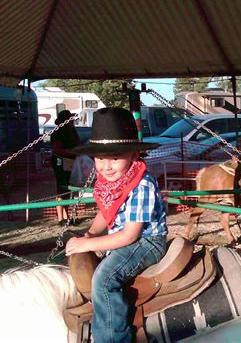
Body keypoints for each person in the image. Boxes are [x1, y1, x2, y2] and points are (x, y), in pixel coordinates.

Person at [65, 107, 167, 343]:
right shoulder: (111, 184)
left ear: (133, 155)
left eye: (114, 158)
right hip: (127, 238)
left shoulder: (141, 185)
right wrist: (90, 235)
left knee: (104, 280)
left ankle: (113, 339)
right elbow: (106, 212)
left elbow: (130, 236)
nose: (106, 166)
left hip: (147, 241)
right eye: (100, 158)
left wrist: (86, 245)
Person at [51, 110, 80, 225]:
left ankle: (69, 216)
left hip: (71, 162)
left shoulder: (72, 131)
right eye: (71, 119)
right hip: (61, 163)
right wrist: (72, 153)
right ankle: (61, 218)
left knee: (70, 189)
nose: (73, 121)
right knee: (62, 188)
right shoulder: (59, 132)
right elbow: (57, 149)